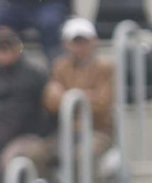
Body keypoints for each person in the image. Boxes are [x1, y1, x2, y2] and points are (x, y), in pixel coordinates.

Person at [28, 17, 116, 171]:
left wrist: (68, 97)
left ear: (93, 41)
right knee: (34, 154)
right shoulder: (60, 66)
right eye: (75, 42)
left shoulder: (104, 67)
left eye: (83, 41)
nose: (79, 47)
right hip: (65, 132)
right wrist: (85, 96)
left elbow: (102, 105)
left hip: (97, 132)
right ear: (66, 43)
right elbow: (50, 102)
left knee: (82, 155)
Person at [0, 26, 52, 170]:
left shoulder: (34, 76)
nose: (5, 51)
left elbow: (47, 113)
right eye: (1, 46)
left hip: (23, 137)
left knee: (10, 161)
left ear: (19, 48)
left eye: (9, 46)